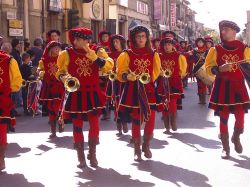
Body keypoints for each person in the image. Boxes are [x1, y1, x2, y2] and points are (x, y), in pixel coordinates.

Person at [56, 27, 113, 168]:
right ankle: (80, 156)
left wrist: (94, 57)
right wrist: (64, 78)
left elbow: (109, 66)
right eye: (77, 39)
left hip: (93, 93)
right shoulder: (66, 53)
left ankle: (92, 153)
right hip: (76, 93)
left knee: (95, 123)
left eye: (81, 39)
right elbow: (60, 72)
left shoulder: (98, 51)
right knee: (77, 125)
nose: (77, 42)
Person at [205, 20, 250, 159]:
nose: (223, 32)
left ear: (234, 31)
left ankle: (236, 137)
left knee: (240, 117)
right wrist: (219, 69)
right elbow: (208, 69)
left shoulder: (245, 48)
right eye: (222, 30)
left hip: (238, 86)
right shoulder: (215, 49)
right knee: (223, 118)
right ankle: (225, 148)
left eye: (226, 29)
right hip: (222, 86)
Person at [116, 25, 162, 161]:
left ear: (147, 38)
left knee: (151, 119)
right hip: (133, 90)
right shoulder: (126, 54)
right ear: (134, 39)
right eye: (138, 36)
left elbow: (156, 72)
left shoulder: (154, 54)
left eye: (143, 36)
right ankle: (136, 149)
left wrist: (147, 79)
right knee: (136, 120)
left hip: (148, 90)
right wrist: (127, 76)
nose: (141, 39)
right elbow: (120, 73)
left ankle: (146, 145)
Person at [158, 37, 187, 133]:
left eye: (169, 45)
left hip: (174, 82)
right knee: (164, 103)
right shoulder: (159, 56)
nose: (167, 47)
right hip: (162, 82)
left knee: (173, 102)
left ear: (172, 45)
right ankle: (166, 126)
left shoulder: (178, 56)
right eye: (165, 45)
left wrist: (179, 76)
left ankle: (173, 122)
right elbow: (156, 69)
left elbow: (182, 70)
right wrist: (160, 73)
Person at [0, 49, 22, 171]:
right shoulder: (9, 60)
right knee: (2, 128)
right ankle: (1, 159)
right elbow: (16, 83)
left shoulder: (9, 60)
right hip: (3, 99)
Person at [38, 41, 64, 138]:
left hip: (60, 85)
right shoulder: (43, 60)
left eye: (58, 48)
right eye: (55, 48)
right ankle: (53, 131)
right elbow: (40, 70)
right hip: (49, 86)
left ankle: (61, 121)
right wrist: (41, 73)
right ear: (50, 49)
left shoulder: (62, 58)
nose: (57, 49)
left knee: (58, 106)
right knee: (50, 108)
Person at [107, 34, 128, 135]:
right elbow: (107, 68)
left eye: (117, 42)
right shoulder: (110, 55)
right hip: (114, 82)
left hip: (124, 82)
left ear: (122, 43)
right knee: (116, 103)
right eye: (114, 42)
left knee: (124, 102)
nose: (115, 44)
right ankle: (118, 123)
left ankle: (124, 122)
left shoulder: (127, 54)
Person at [191, 37, 208, 104]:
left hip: (204, 69)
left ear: (203, 43)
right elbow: (192, 59)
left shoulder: (206, 51)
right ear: (197, 43)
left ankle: (203, 99)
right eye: (199, 42)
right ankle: (200, 98)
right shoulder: (194, 51)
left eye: (201, 42)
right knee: (199, 84)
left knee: (204, 83)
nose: (200, 43)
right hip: (197, 68)